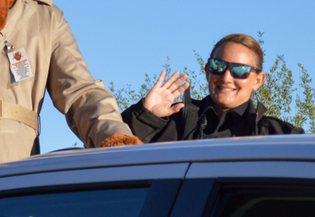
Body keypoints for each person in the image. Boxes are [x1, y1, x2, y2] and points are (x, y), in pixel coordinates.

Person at [122, 33, 303, 141]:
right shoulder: (172, 122)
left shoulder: (278, 136)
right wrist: (145, 116)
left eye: (240, 71)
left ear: (258, 80)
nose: (226, 78)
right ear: (207, 71)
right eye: (218, 66)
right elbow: (106, 149)